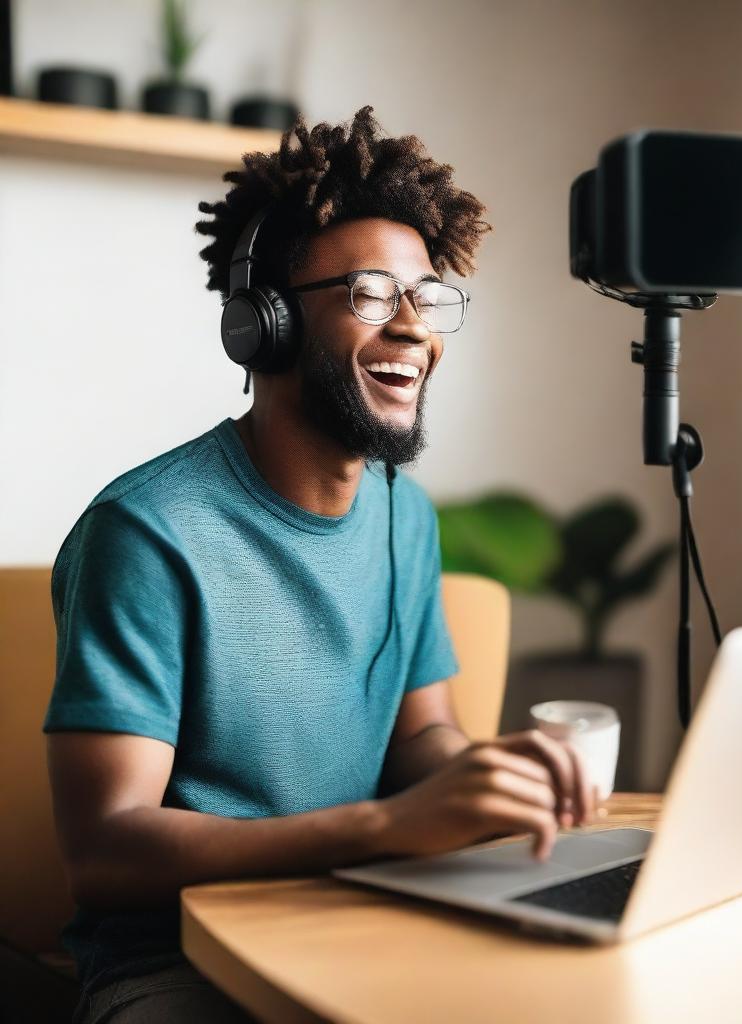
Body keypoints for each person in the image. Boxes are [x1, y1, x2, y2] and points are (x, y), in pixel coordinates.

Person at [43, 107, 596, 1024]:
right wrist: (383, 829)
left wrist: (484, 779)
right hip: (178, 963)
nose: (415, 328)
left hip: (366, 915)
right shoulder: (146, 533)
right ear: (267, 326)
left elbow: (423, 738)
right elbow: (105, 850)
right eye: (374, 293)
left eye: (429, 298)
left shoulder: (401, 515)